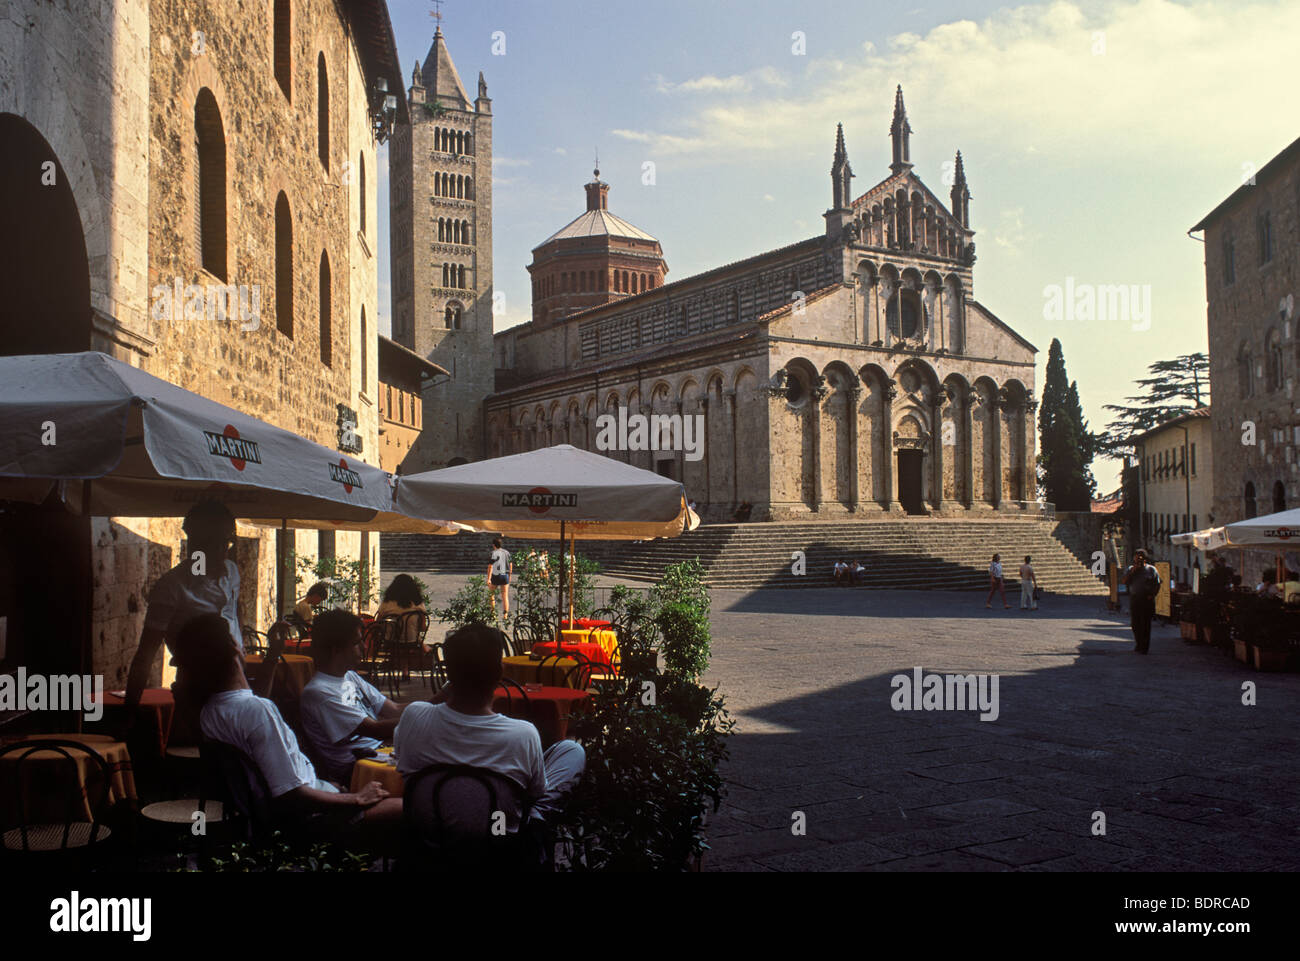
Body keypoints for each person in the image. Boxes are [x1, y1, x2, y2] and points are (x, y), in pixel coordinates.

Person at [174, 612, 399, 825]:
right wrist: (356, 798)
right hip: (316, 817)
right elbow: (290, 793)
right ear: (235, 648)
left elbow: (253, 703)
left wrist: (273, 654)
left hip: (300, 804)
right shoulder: (256, 711)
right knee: (415, 805)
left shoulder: (213, 710)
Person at [394, 623, 585, 836]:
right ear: (500, 673)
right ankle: (534, 823)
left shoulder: (414, 717)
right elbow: (537, 791)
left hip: (430, 834)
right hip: (498, 833)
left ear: (449, 673)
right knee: (571, 750)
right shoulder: (523, 734)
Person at [125, 500, 246, 744]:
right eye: (213, 542)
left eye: (227, 541)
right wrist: (129, 711)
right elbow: (146, 652)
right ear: (193, 542)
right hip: (196, 693)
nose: (223, 548)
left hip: (237, 684)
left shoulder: (232, 572)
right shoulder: (171, 588)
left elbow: (235, 612)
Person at [299, 610, 408, 783]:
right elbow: (375, 730)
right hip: (354, 769)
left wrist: (440, 702)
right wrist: (427, 716)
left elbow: (393, 710)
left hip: (376, 753)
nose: (364, 648)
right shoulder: (319, 693)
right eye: (357, 643)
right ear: (336, 650)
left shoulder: (350, 676)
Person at [1122, 549, 1161, 654]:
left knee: (1145, 624)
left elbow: (1157, 584)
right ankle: (1139, 643)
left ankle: (1145, 647)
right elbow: (1124, 581)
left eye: (1141, 557)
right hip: (1135, 599)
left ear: (1145, 559)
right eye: (1136, 556)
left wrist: (1152, 595)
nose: (1138, 559)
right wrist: (1133, 571)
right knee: (1135, 624)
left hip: (1146, 600)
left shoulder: (1151, 569)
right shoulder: (1131, 569)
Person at [374, 573, 428, 644]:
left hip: (389, 642)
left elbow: (378, 624)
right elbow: (423, 628)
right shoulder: (418, 604)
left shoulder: (386, 603)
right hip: (411, 641)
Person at [488, 538, 512, 618]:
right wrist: (510, 576)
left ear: (494, 545)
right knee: (505, 595)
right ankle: (505, 614)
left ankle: (492, 612)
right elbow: (511, 564)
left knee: (491, 594)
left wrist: (488, 578)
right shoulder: (507, 553)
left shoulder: (493, 553)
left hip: (495, 575)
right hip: (505, 575)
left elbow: (490, 566)